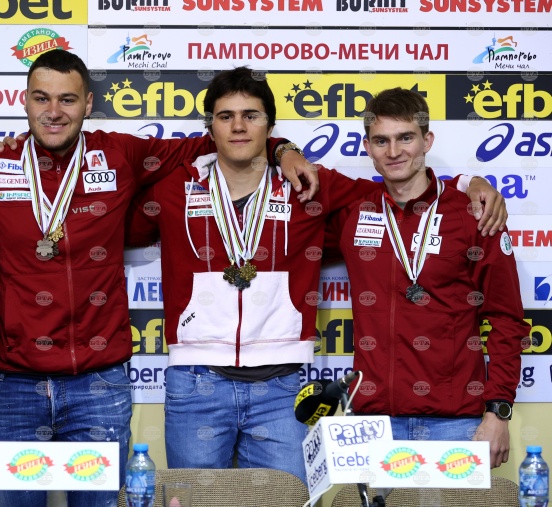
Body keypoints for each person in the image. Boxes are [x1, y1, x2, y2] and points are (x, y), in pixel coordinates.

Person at [0, 50, 311, 507]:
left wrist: (284, 150)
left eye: (67, 99)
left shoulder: (121, 154)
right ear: (25, 102)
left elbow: (228, 138)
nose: (54, 111)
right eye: (41, 98)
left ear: (88, 104)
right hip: (11, 385)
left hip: (99, 385)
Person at [123, 69, 509, 483]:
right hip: (194, 382)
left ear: (270, 125)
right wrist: (282, 150)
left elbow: (400, 190)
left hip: (281, 386)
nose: (238, 126)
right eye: (225, 116)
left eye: (251, 116)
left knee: (287, 498)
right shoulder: (173, 188)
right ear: (210, 126)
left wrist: (467, 182)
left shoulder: (308, 185)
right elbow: (113, 221)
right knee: (194, 500)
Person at [325, 87, 527, 468]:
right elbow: (287, 236)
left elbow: (506, 319)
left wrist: (498, 411)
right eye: (381, 141)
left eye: (406, 138)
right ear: (367, 147)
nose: (394, 151)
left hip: (455, 424)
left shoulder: (473, 215)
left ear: (427, 140)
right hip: (373, 423)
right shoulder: (354, 213)